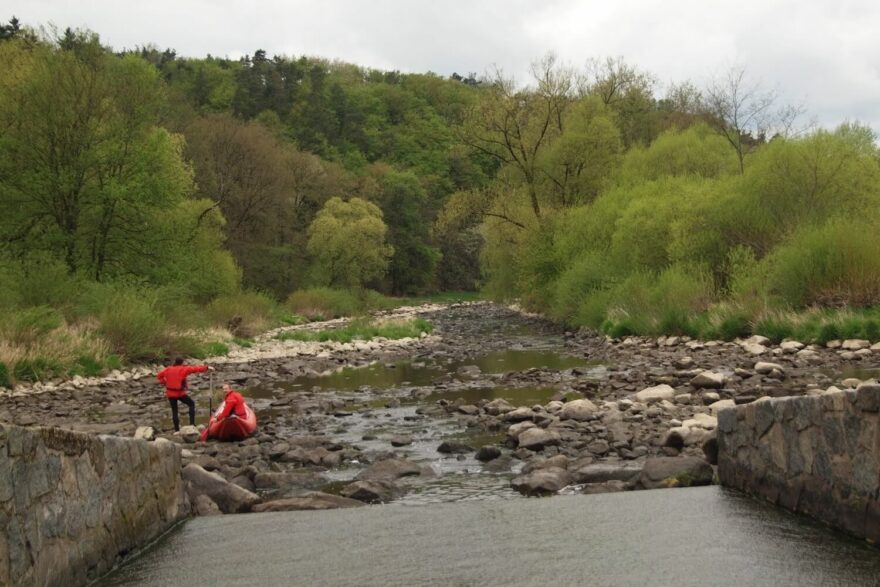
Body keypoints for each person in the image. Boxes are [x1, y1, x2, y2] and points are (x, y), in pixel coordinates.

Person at [157, 357, 212, 431]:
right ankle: (192, 424)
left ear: (175, 362)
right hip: (180, 393)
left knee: (174, 410)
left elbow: (159, 376)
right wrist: (207, 367)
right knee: (191, 404)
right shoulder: (183, 369)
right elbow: (195, 369)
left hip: (170, 393)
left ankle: (176, 430)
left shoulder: (168, 369)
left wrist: (165, 383)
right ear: (182, 363)